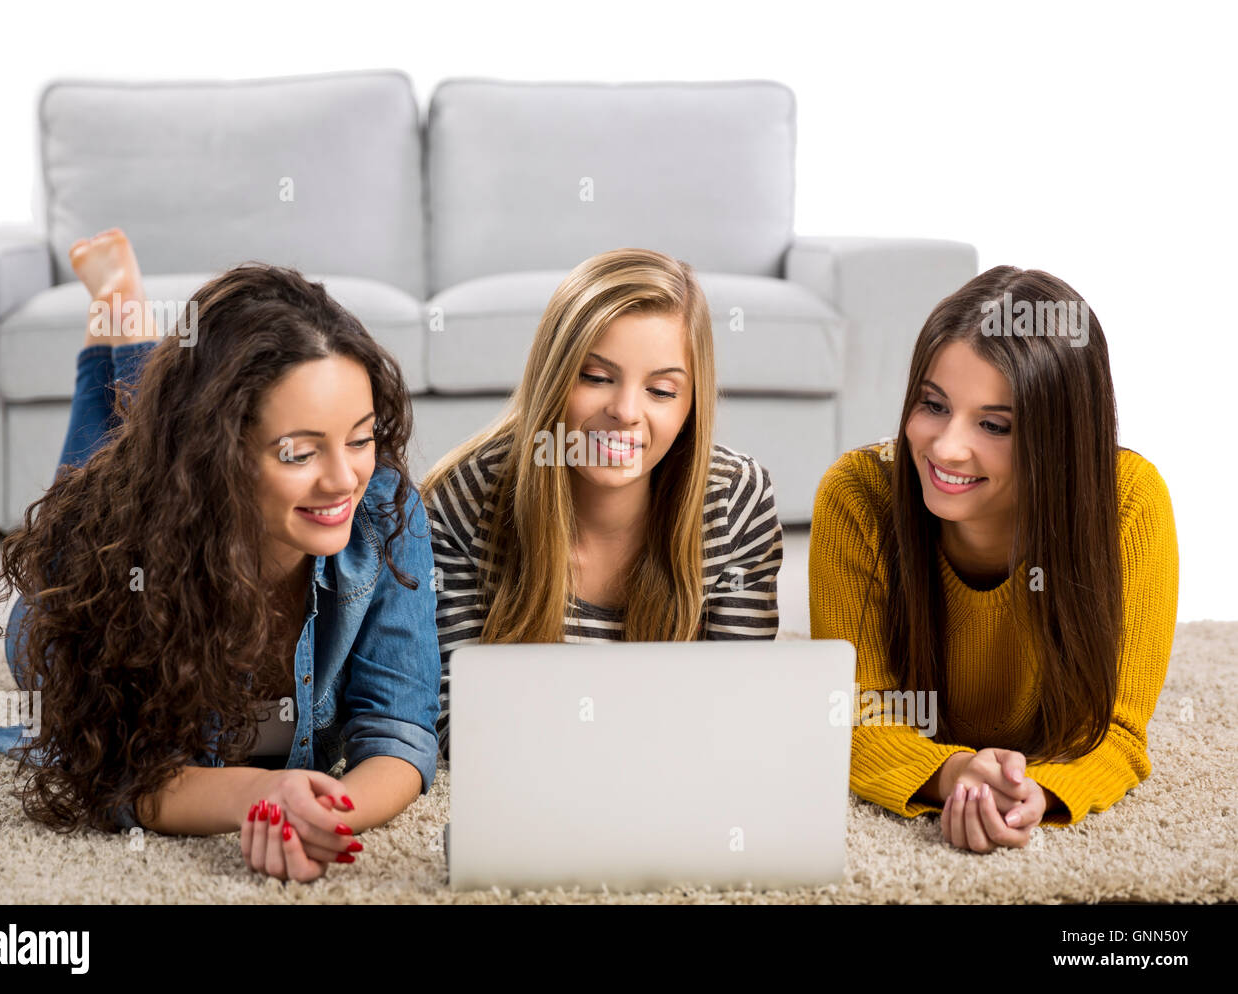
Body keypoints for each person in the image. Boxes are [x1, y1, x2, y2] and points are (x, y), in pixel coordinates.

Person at [0, 229, 440, 882]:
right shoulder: (111, 561)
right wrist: (261, 796)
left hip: (177, 464)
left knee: (140, 432)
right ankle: (121, 310)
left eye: (360, 439)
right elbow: (121, 772)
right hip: (75, 585)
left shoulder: (384, 508)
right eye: (299, 452)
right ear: (217, 454)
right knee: (95, 469)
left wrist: (326, 813)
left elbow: (399, 731)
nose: (343, 481)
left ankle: (126, 320)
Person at [809, 265, 1178, 852]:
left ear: (1060, 437)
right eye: (933, 405)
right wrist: (954, 775)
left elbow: (1121, 732)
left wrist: (1043, 790)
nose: (948, 446)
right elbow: (854, 715)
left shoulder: (1128, 500)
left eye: (994, 425)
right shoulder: (858, 493)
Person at [421, 248, 784, 756]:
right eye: (596, 378)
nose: (625, 412)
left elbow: (739, 711)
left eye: (661, 390)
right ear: (554, 376)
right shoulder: (463, 501)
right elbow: (452, 724)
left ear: (691, 405)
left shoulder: (735, 500)